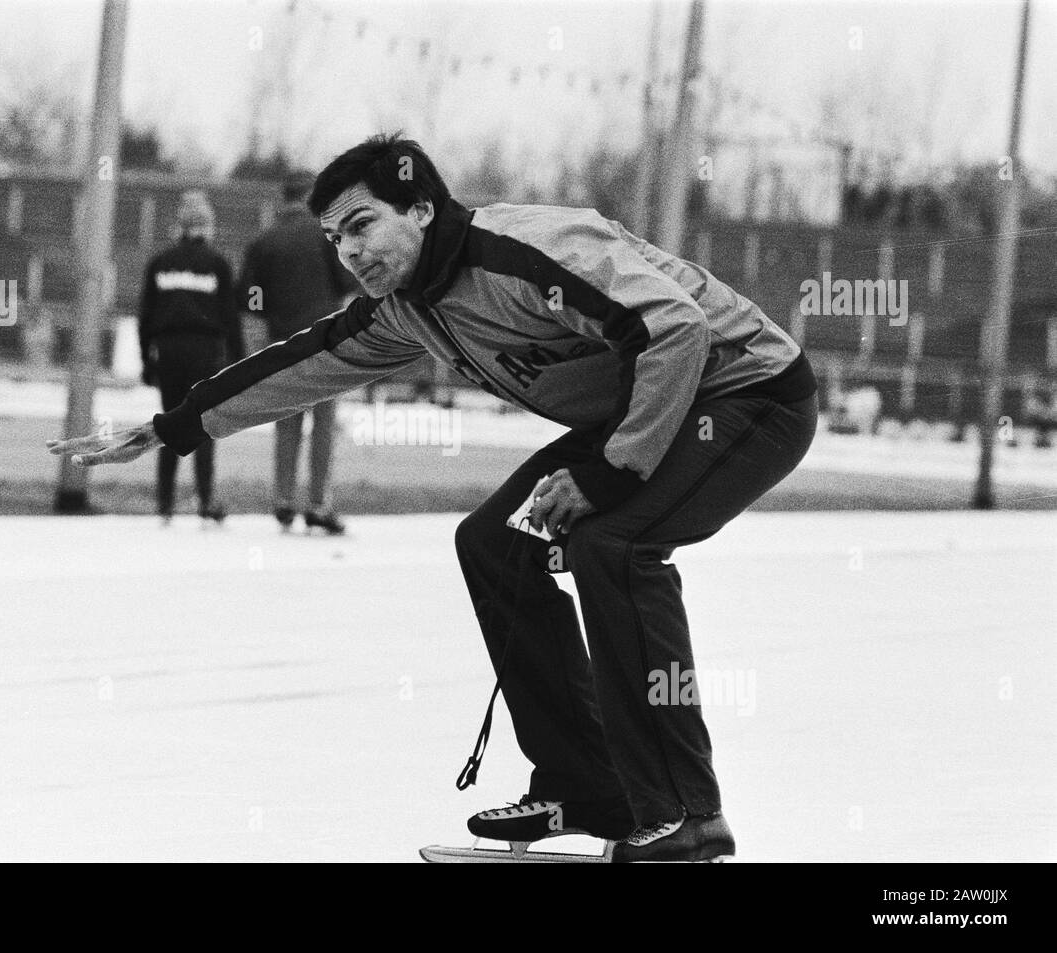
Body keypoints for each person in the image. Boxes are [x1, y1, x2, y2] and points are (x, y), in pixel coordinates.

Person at [50, 134, 819, 863]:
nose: (348, 252)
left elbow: (674, 328)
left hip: (746, 390)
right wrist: (167, 427)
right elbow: (303, 363)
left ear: (420, 208)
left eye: (360, 225)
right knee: (495, 544)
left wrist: (609, 475)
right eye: (335, 240)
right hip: (643, 411)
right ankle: (591, 786)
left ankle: (689, 814)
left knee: (611, 542)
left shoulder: (530, 251)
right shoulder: (408, 309)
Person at [238, 170, 359, 534]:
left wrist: (263, 338)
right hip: (324, 343)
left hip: (282, 345)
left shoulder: (264, 242)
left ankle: (283, 500)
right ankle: (318, 504)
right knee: (322, 424)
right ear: (310, 198)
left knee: (287, 421)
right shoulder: (326, 238)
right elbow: (347, 284)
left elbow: (252, 301)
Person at [137, 189, 242, 524]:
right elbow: (230, 319)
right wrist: (239, 364)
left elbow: (145, 317)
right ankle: (205, 501)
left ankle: (165, 504)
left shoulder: (160, 263)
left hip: (168, 352)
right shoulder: (217, 265)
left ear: (178, 226)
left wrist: (146, 360)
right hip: (205, 353)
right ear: (207, 226)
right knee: (204, 424)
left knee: (170, 423)